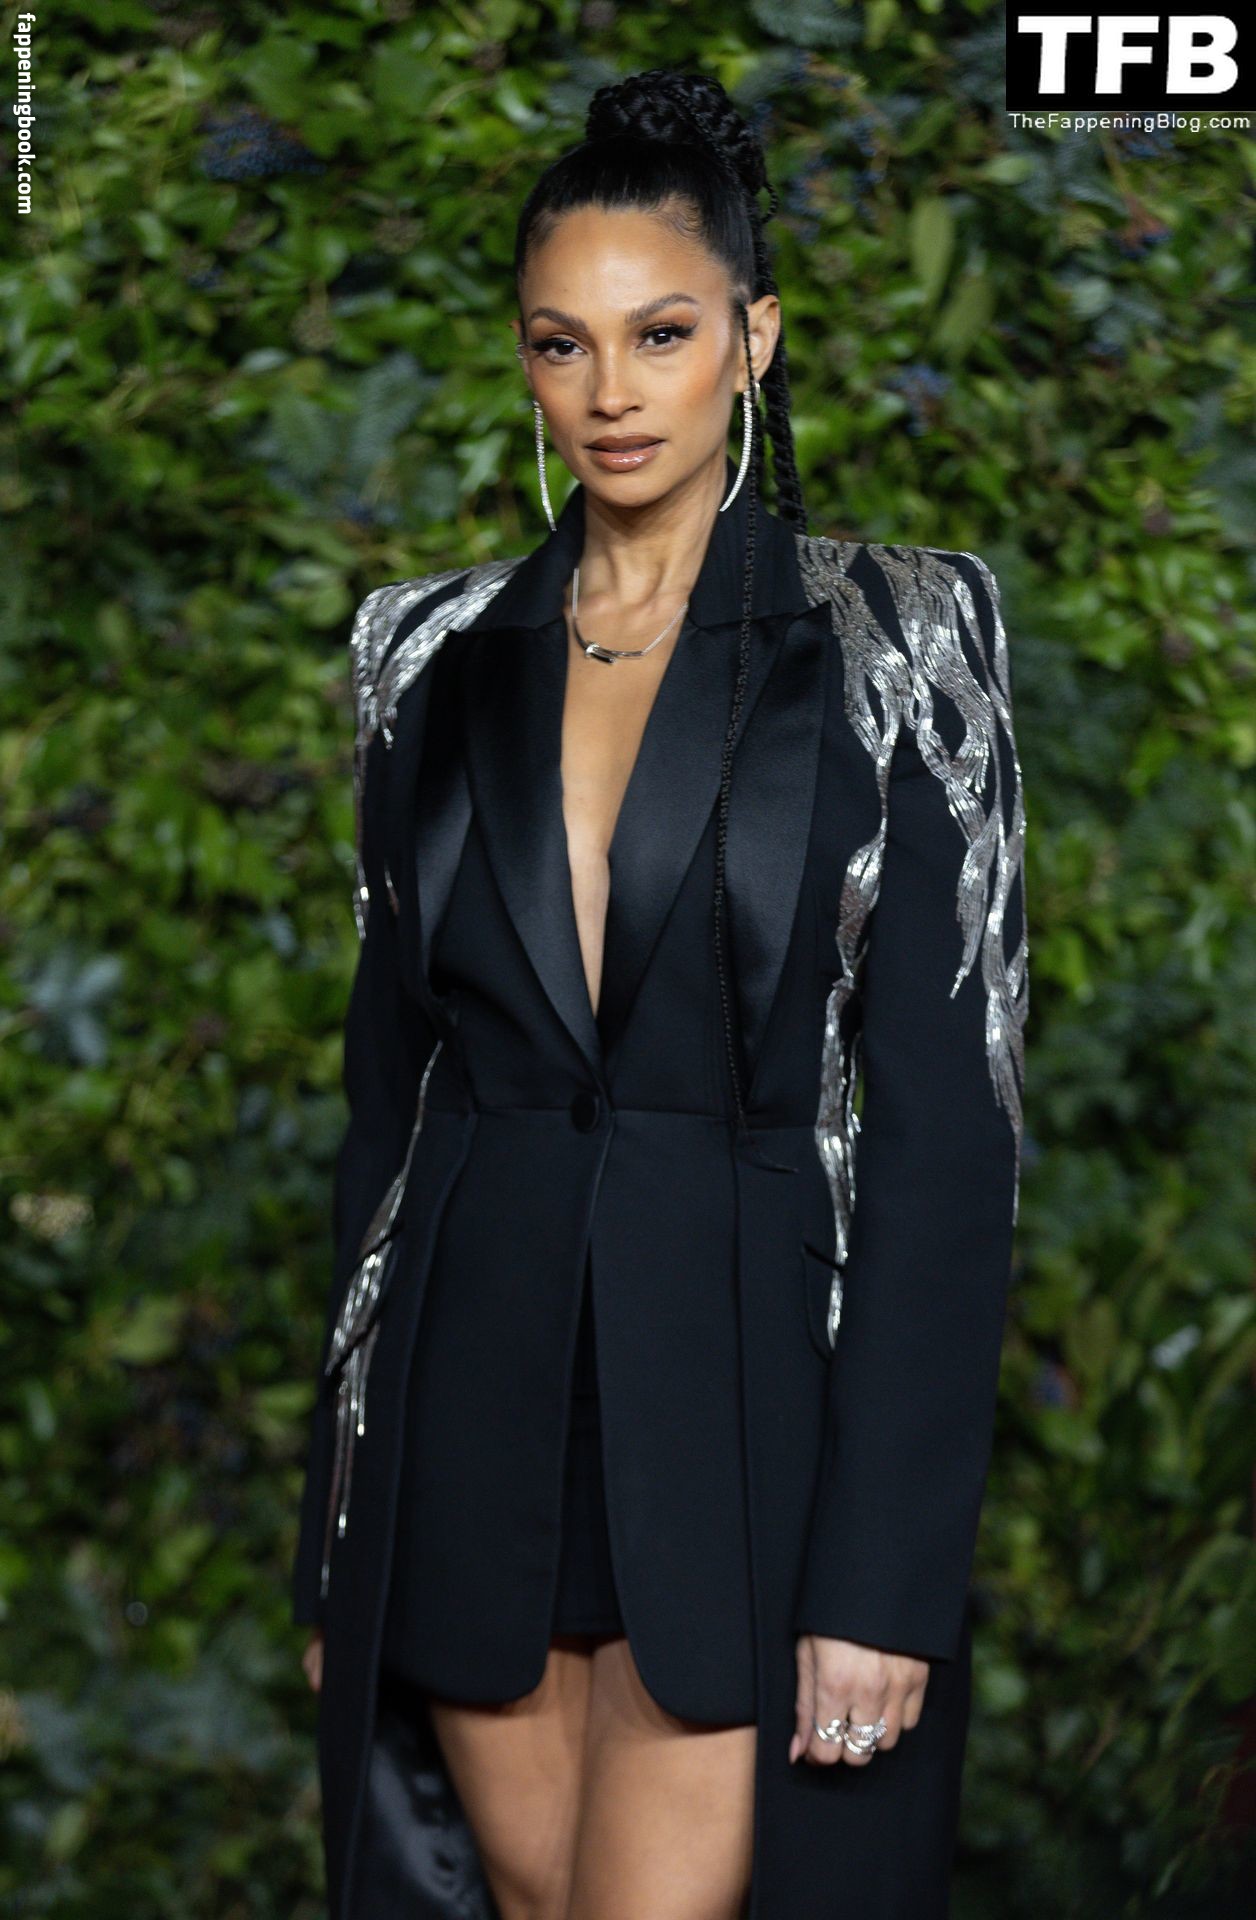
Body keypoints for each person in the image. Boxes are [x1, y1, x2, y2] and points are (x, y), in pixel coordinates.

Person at [290, 65, 1028, 1920]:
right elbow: (388, 1119)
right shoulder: (425, 656)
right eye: (565, 344)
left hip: (748, 1424)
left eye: (663, 333)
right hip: (473, 1418)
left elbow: (948, 1143)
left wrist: (884, 1580)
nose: (612, 391)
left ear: (753, 339)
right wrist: (335, 1535)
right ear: (526, 366)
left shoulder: (902, 640)